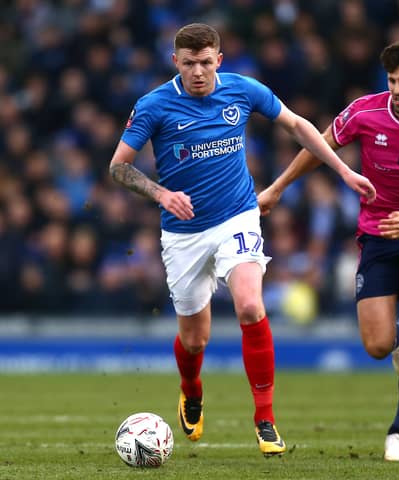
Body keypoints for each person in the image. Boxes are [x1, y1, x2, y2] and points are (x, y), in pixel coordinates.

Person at [109, 23, 375, 457]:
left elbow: (298, 126)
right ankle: (191, 390)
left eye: (206, 62)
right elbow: (118, 167)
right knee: (195, 339)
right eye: (189, 63)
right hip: (184, 234)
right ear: (175, 62)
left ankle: (265, 419)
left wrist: (343, 171)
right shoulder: (154, 105)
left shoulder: (242, 90)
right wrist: (161, 193)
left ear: (220, 59)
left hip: (238, 215)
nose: (198, 71)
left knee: (251, 305)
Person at [258, 38, 399, 461]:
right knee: (376, 346)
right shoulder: (364, 111)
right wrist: (278, 188)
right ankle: (398, 339)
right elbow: (319, 147)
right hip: (376, 236)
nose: (397, 89)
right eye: (392, 80)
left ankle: (398, 434)